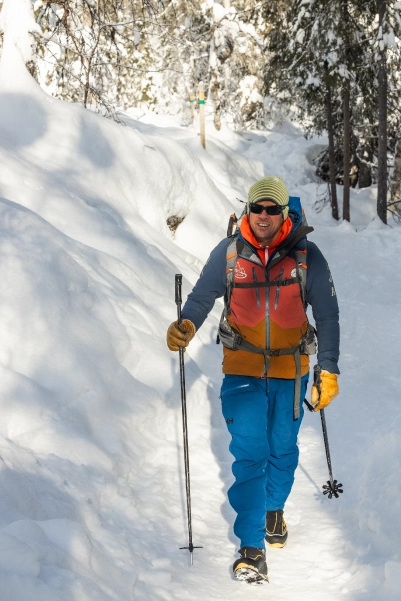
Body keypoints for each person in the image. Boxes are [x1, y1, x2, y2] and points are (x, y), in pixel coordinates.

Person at [167, 176, 340, 585]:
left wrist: (327, 369)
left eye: (272, 209)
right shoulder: (228, 253)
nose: (263, 216)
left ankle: (273, 510)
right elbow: (201, 296)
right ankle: (251, 548)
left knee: (282, 449)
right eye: (257, 208)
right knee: (250, 454)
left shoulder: (306, 256)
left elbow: (328, 316)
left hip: (291, 372)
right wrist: (186, 325)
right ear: (248, 209)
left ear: (283, 213)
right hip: (241, 369)